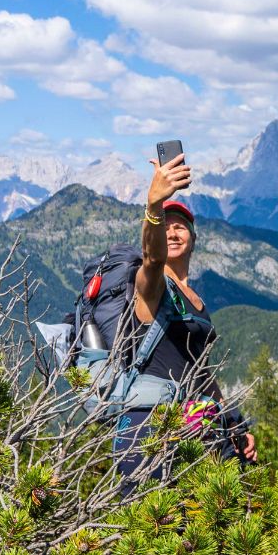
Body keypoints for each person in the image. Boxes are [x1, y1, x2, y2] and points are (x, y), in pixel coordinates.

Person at [113, 152, 257, 486]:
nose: (173, 232)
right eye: (166, 227)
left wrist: (235, 424)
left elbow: (201, 372)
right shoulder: (151, 286)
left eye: (180, 227)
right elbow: (152, 259)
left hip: (193, 422)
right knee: (150, 513)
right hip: (148, 425)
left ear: (193, 240)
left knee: (210, 513)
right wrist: (154, 205)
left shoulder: (197, 302)